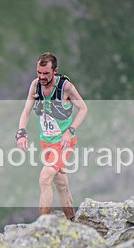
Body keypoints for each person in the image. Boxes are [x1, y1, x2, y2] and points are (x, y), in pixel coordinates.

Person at [16, 52, 87, 220]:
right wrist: (21, 133)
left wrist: (70, 131)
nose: (42, 77)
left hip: (63, 143)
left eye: (46, 73)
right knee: (60, 184)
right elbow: (26, 111)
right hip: (46, 143)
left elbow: (83, 108)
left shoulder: (66, 87)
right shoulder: (35, 86)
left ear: (55, 71)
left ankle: (42, 226)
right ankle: (72, 220)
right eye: (39, 73)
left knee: (44, 178)